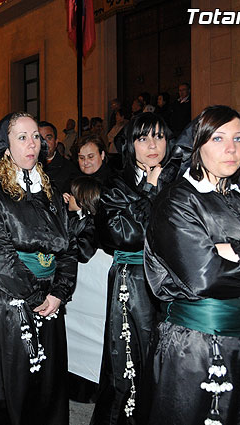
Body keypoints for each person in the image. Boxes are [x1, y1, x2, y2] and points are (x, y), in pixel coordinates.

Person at [144, 105, 240, 425]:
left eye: (239, 139)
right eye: (218, 138)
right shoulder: (177, 201)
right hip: (198, 346)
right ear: (197, 146)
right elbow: (205, 279)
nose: (231, 148)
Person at [0, 112, 77, 424]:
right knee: (13, 384)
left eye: (36, 136)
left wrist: (58, 293)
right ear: (6, 146)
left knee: (49, 383)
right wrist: (35, 297)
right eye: (22, 137)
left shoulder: (52, 191)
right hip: (11, 301)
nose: (33, 143)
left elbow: (68, 246)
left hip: (50, 300)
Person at [91, 112, 182, 424]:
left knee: (170, 358)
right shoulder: (117, 184)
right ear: (130, 145)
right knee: (131, 360)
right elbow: (124, 235)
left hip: (175, 284)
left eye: (159, 136)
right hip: (134, 282)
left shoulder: (182, 182)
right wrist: (150, 189)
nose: (152, 145)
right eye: (143, 138)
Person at [39, 120, 80, 194]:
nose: (44, 143)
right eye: (40, 138)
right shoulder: (25, 167)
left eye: (48, 138)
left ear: (56, 142)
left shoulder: (69, 170)